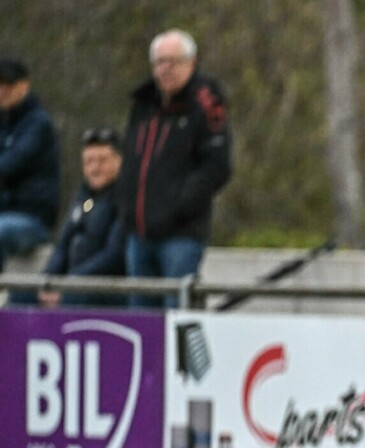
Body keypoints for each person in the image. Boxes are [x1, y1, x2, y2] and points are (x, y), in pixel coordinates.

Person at [118, 29, 231, 309]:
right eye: (160, 62)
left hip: (180, 235)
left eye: (173, 61)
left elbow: (217, 166)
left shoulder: (206, 103)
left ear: (191, 64)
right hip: (139, 234)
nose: (166, 69)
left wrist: (179, 205)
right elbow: (131, 159)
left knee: (176, 315)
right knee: (143, 323)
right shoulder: (143, 104)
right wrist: (126, 207)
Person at [32, 128, 127, 308]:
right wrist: (47, 281)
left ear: (119, 161)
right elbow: (63, 244)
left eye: (102, 160)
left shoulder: (126, 198)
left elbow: (114, 255)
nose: (94, 168)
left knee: (71, 300)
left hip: (105, 288)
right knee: (22, 294)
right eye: (89, 161)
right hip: (72, 283)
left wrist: (71, 283)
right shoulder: (82, 197)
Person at [0, 57, 59, 274]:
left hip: (32, 219)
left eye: (8, 84)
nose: (2, 91)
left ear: (25, 85)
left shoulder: (38, 123)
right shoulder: (3, 123)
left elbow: (11, 164)